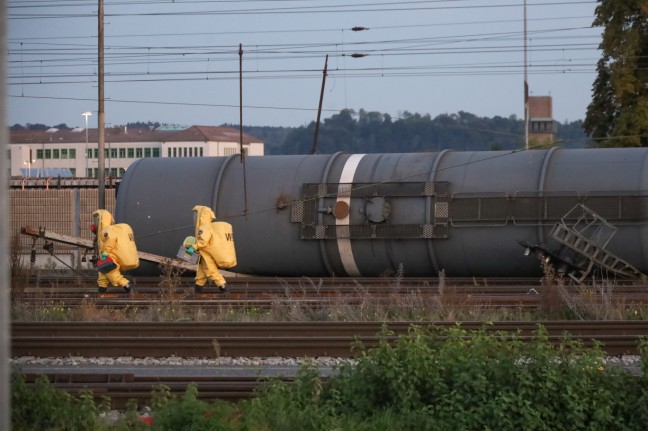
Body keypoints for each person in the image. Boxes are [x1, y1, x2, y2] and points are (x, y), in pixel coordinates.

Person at [92, 209, 139, 294]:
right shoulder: (103, 231)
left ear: (102, 220)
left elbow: (111, 239)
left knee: (112, 274)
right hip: (106, 257)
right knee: (102, 273)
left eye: (97, 219)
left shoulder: (106, 230)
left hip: (110, 256)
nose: (95, 222)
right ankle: (102, 288)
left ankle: (127, 285)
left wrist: (105, 253)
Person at [186, 205, 228, 293]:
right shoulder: (205, 226)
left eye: (196, 214)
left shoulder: (204, 227)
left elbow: (203, 241)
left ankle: (223, 287)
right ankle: (198, 288)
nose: (195, 217)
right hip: (204, 253)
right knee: (201, 271)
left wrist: (194, 247)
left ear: (201, 216)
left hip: (206, 253)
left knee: (211, 271)